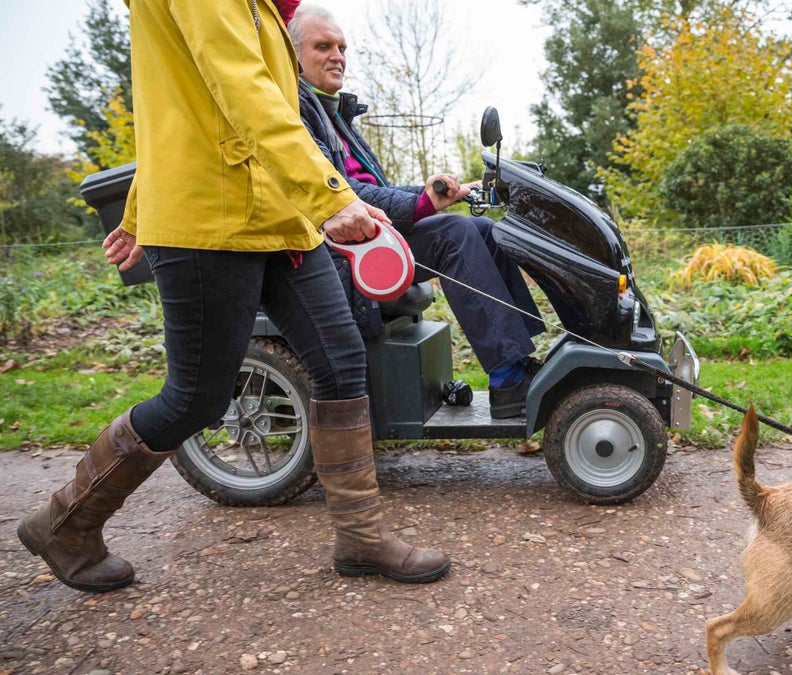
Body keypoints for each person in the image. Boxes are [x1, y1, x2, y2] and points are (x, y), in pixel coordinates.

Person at [17, 0, 450, 593]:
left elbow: (195, 106)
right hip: (212, 219)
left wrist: (327, 199)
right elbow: (239, 94)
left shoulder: (266, 10)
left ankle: (361, 536)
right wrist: (331, 197)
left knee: (341, 361)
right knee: (197, 397)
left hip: (280, 216)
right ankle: (65, 524)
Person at [288, 6, 545, 419]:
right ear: (292, 54)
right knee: (453, 234)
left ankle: (519, 358)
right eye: (323, 46)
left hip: (365, 239)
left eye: (342, 47)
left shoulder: (335, 115)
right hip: (335, 252)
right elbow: (339, 194)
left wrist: (447, 194)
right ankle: (507, 379)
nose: (338, 55)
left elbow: (376, 193)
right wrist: (422, 204)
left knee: (481, 228)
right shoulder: (295, 113)